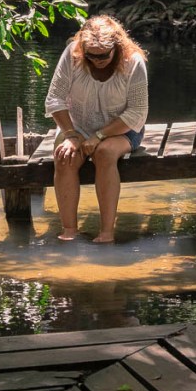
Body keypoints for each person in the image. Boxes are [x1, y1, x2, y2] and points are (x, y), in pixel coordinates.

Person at [44, 15, 148, 243]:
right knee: (64, 156)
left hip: (123, 129)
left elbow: (137, 113)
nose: (97, 60)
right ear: (83, 49)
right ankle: (69, 230)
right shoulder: (72, 54)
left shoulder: (133, 62)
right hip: (78, 126)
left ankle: (106, 232)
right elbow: (55, 100)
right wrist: (71, 135)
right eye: (91, 55)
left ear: (116, 47)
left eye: (103, 55)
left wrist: (99, 136)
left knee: (105, 153)